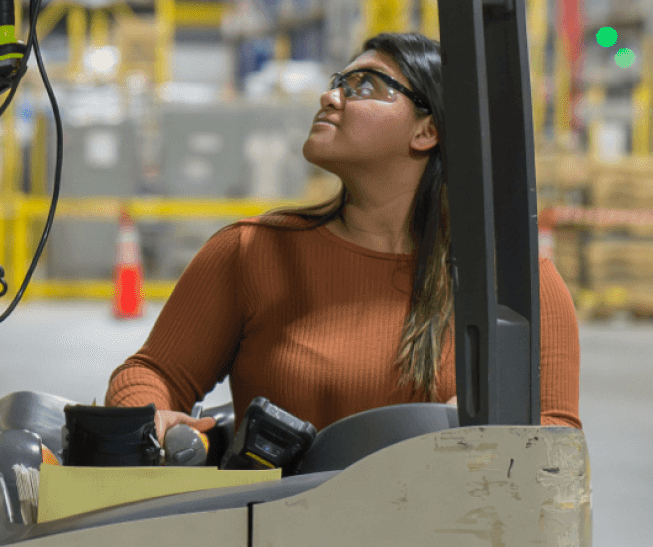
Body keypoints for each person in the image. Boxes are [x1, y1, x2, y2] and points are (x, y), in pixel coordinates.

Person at [104, 33, 582, 443]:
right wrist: (151, 417)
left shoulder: (517, 284)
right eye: (338, 82)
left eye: (365, 86)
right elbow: (152, 372)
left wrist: (485, 433)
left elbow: (557, 439)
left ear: (428, 130)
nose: (330, 97)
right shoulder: (251, 253)